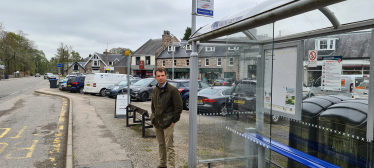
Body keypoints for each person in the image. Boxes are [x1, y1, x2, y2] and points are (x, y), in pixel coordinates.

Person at [151, 67, 183, 168]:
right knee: (161, 145)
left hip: (168, 122)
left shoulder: (173, 90)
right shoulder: (155, 89)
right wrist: (153, 116)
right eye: (158, 76)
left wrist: (173, 121)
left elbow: (179, 107)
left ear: (166, 76)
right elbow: (153, 106)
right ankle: (162, 164)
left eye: (162, 75)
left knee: (169, 146)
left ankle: (171, 166)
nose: (161, 78)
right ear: (155, 77)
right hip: (157, 122)